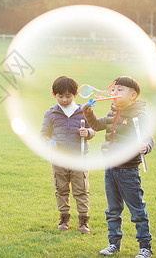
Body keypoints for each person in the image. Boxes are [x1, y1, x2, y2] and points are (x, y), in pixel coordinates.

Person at [82, 76, 154, 258]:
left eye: (120, 90)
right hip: (111, 168)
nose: (114, 93)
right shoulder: (113, 113)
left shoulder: (138, 116)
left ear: (133, 95)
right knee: (113, 210)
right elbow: (97, 126)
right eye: (113, 89)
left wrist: (146, 147)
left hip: (128, 171)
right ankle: (114, 243)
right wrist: (88, 112)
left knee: (137, 210)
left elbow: (149, 138)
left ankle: (145, 247)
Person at [40, 76, 95, 234]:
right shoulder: (51, 114)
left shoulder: (84, 111)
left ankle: (83, 221)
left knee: (81, 190)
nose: (64, 99)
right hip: (59, 159)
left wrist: (88, 133)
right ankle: (64, 218)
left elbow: (93, 129)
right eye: (60, 96)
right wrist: (48, 141)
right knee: (61, 189)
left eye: (68, 96)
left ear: (75, 95)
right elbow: (44, 134)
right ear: (54, 95)